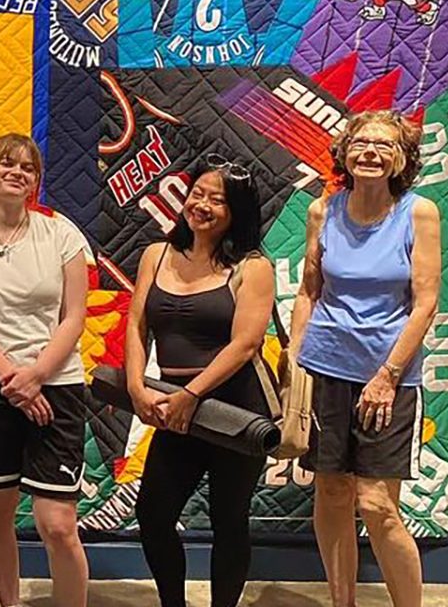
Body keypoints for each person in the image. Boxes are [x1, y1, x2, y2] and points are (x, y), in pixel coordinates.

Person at [291, 111, 441, 607]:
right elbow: (310, 292)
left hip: (387, 379)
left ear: (401, 158)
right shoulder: (323, 212)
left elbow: (425, 302)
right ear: (345, 152)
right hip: (326, 369)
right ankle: (342, 602)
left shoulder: (419, 213)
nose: (371, 152)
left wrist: (388, 376)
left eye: (384, 144)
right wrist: (296, 362)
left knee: (377, 504)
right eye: (360, 142)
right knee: (331, 492)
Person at [0, 133, 90, 607]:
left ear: (36, 182)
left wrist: (36, 375)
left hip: (57, 384)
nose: (16, 172)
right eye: (7, 163)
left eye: (27, 167)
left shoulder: (61, 234)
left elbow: (74, 316)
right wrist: (13, 378)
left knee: (58, 524)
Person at [124, 156, 278, 607]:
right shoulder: (156, 255)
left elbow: (246, 344)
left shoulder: (253, 267)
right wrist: (137, 385)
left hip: (236, 410)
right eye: (198, 193)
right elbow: (136, 325)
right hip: (174, 408)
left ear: (237, 212)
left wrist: (193, 394)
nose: (202, 204)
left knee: (229, 519)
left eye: (218, 199)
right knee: (153, 515)